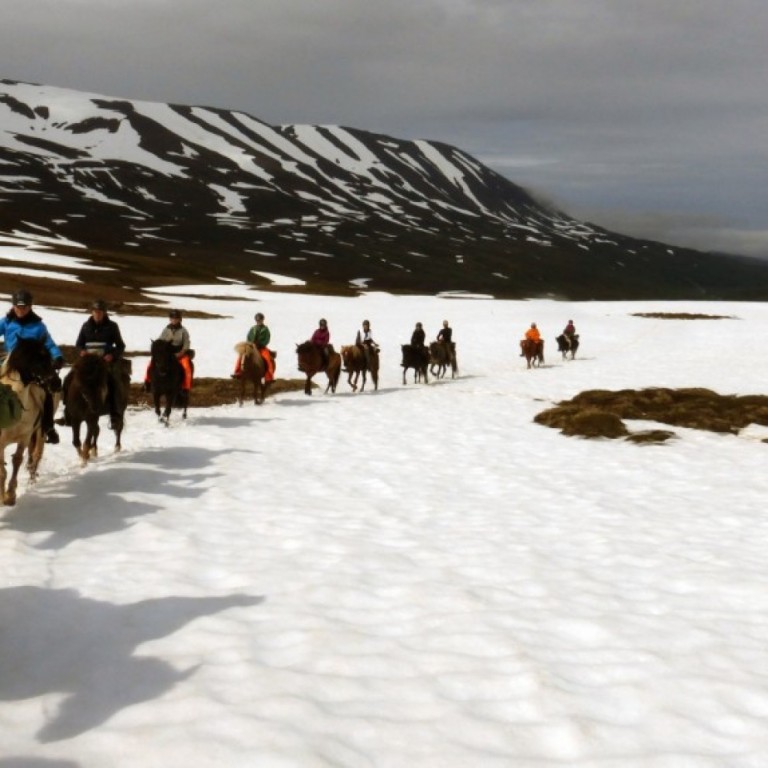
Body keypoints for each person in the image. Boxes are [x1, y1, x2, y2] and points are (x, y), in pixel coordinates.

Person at [0, 289, 65, 443]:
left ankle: (48, 427)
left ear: (30, 307)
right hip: (9, 362)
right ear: (13, 306)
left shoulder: (38, 326)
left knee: (47, 393)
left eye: (24, 307)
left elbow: (49, 344)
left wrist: (57, 356)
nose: (21, 310)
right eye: (18, 307)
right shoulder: (7, 322)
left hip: (30, 367)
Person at [69, 299, 127, 428]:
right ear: (92, 312)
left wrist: (112, 355)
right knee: (69, 378)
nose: (97, 314)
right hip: (87, 362)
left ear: (104, 313)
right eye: (95, 311)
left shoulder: (112, 326)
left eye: (100, 312)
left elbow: (121, 346)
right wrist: (81, 351)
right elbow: (79, 344)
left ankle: (115, 414)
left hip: (104, 362)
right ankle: (69, 411)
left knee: (114, 382)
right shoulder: (86, 326)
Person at [145, 309, 193, 392]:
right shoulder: (166, 330)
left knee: (186, 367)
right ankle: (147, 382)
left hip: (179, 353)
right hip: (167, 353)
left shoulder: (184, 331)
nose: (174, 320)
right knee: (150, 364)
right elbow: (160, 340)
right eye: (172, 318)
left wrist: (181, 352)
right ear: (170, 319)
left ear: (180, 319)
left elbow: (186, 343)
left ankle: (186, 387)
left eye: (176, 318)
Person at [233, 312, 274, 382]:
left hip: (261, 348)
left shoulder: (265, 329)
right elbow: (248, 337)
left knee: (267, 358)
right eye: (257, 320)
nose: (258, 321)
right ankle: (238, 372)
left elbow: (267, 339)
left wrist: (260, 344)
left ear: (263, 320)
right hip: (251, 347)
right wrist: (249, 344)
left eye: (260, 320)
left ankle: (269, 377)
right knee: (241, 356)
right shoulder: (252, 329)